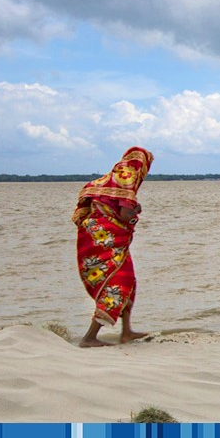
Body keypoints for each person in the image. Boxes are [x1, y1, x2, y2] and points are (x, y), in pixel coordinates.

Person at [72, 147, 154, 347]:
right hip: (106, 240)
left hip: (95, 238)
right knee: (117, 284)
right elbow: (126, 214)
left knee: (129, 282)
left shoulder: (107, 180)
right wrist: (137, 209)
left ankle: (126, 332)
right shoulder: (127, 180)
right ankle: (89, 337)